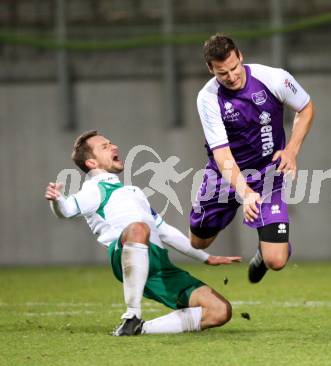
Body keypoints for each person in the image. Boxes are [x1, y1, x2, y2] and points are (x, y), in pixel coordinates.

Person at [45, 130, 241, 336]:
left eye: (111, 143)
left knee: (220, 311)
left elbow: (165, 231)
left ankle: (139, 329)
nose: (114, 147)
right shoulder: (93, 189)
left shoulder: (133, 192)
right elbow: (66, 210)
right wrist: (57, 200)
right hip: (124, 254)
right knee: (139, 228)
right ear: (92, 163)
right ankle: (132, 315)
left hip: (159, 266)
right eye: (105, 146)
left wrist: (206, 257)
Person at [190, 34, 314, 284]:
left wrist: (291, 150)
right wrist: (245, 193)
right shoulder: (208, 98)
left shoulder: (274, 78)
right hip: (223, 176)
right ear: (210, 69)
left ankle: (265, 251)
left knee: (276, 261)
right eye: (222, 73)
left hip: (267, 174)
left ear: (241, 56)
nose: (231, 76)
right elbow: (222, 154)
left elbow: (306, 107)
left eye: (234, 67)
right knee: (198, 242)